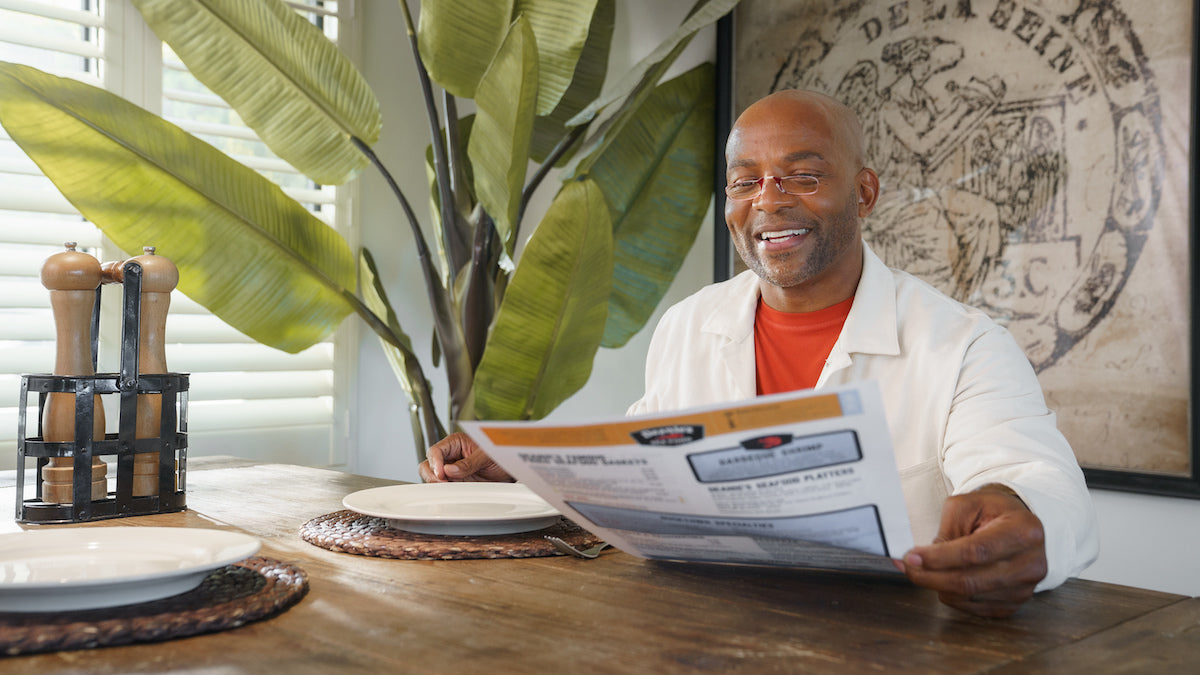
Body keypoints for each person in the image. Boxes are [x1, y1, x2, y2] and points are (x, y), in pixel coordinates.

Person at [421, 89, 1098, 618]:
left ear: (864, 193)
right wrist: (520, 466)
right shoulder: (688, 326)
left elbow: (1044, 486)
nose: (768, 203)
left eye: (801, 176)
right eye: (745, 182)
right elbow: (646, 466)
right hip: (700, 635)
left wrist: (1023, 520)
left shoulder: (964, 346)